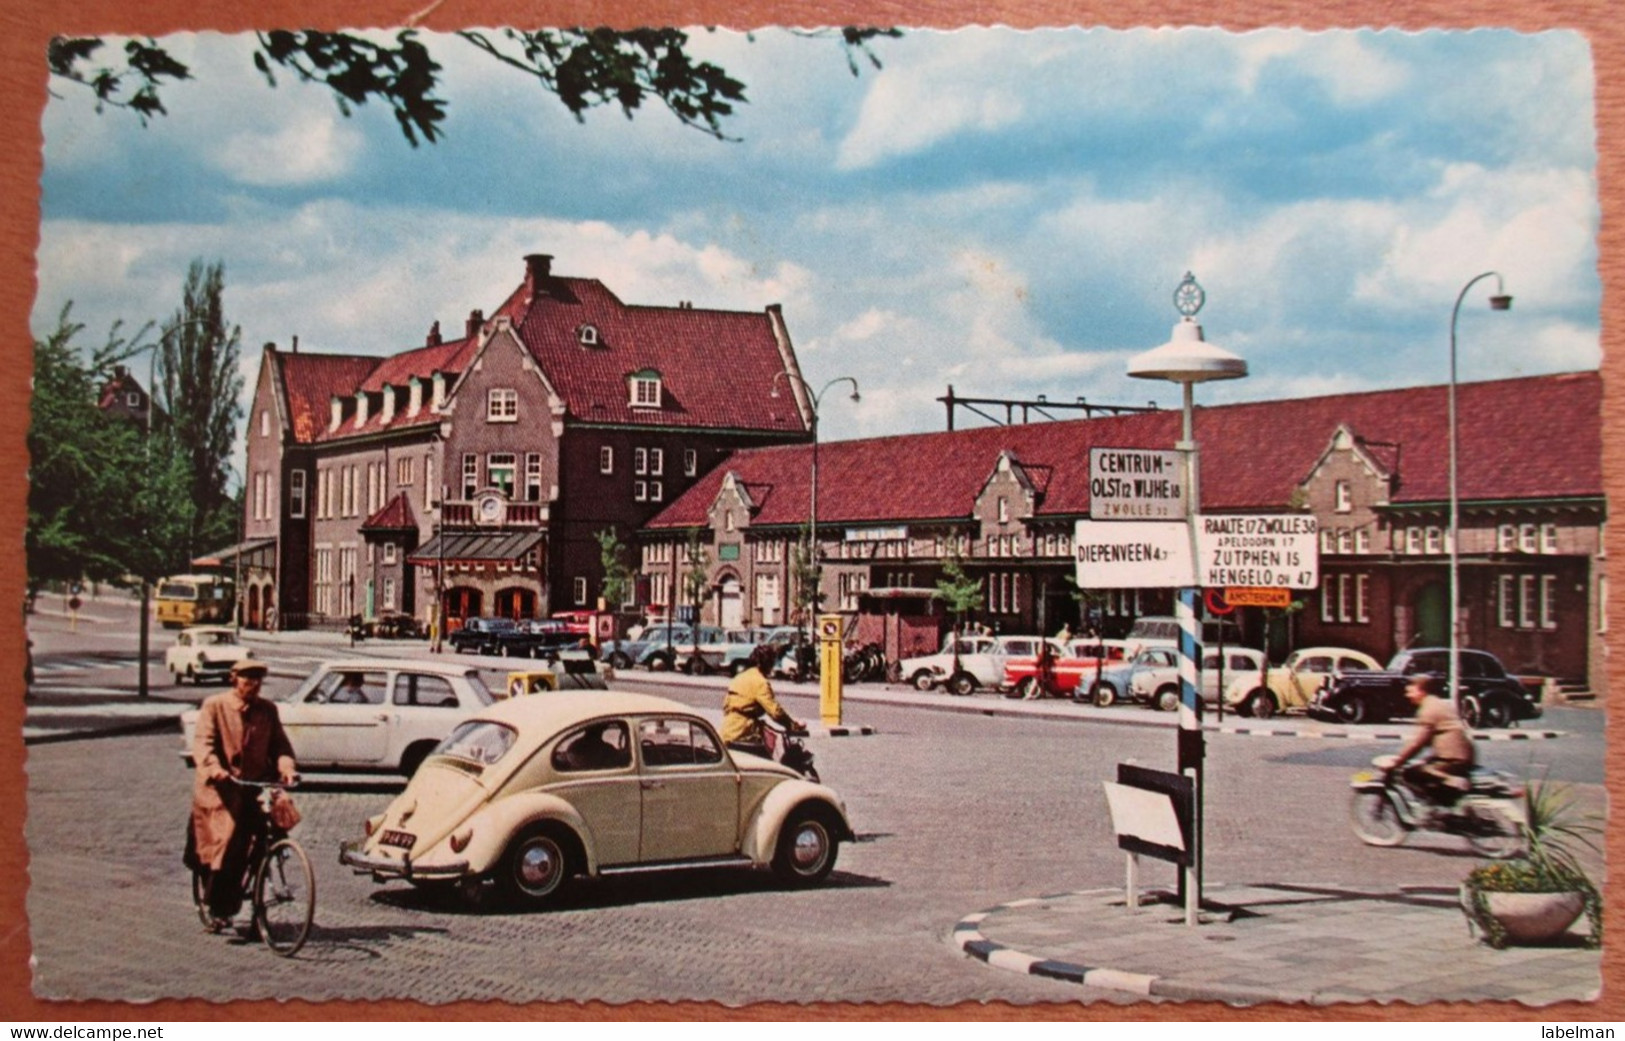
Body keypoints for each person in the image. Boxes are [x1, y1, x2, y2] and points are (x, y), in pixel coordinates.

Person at [188, 658, 298, 932]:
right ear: (234, 679)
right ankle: (219, 907)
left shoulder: (267, 710)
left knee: (270, 833)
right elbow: (203, 744)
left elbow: (280, 746)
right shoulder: (215, 706)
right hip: (220, 793)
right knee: (225, 845)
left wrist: (287, 769)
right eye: (248, 679)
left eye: (258, 680)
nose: (254, 685)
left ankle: (257, 899)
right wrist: (215, 770)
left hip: (253, 788)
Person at [1389, 674, 1475, 804]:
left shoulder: (1428, 710)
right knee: (1424, 772)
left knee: (1413, 773)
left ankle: (1450, 783)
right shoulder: (1438, 703)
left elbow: (1417, 743)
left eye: (1410, 691)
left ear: (1421, 690)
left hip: (1452, 757)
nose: (1408, 695)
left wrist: (1398, 761)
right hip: (1461, 753)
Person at [721, 643, 804, 757]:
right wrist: (792, 725)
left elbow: (726, 705)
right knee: (767, 764)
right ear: (765, 663)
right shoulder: (760, 682)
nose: (772, 667)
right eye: (771, 663)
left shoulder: (740, 677)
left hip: (728, 730)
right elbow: (775, 712)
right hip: (744, 733)